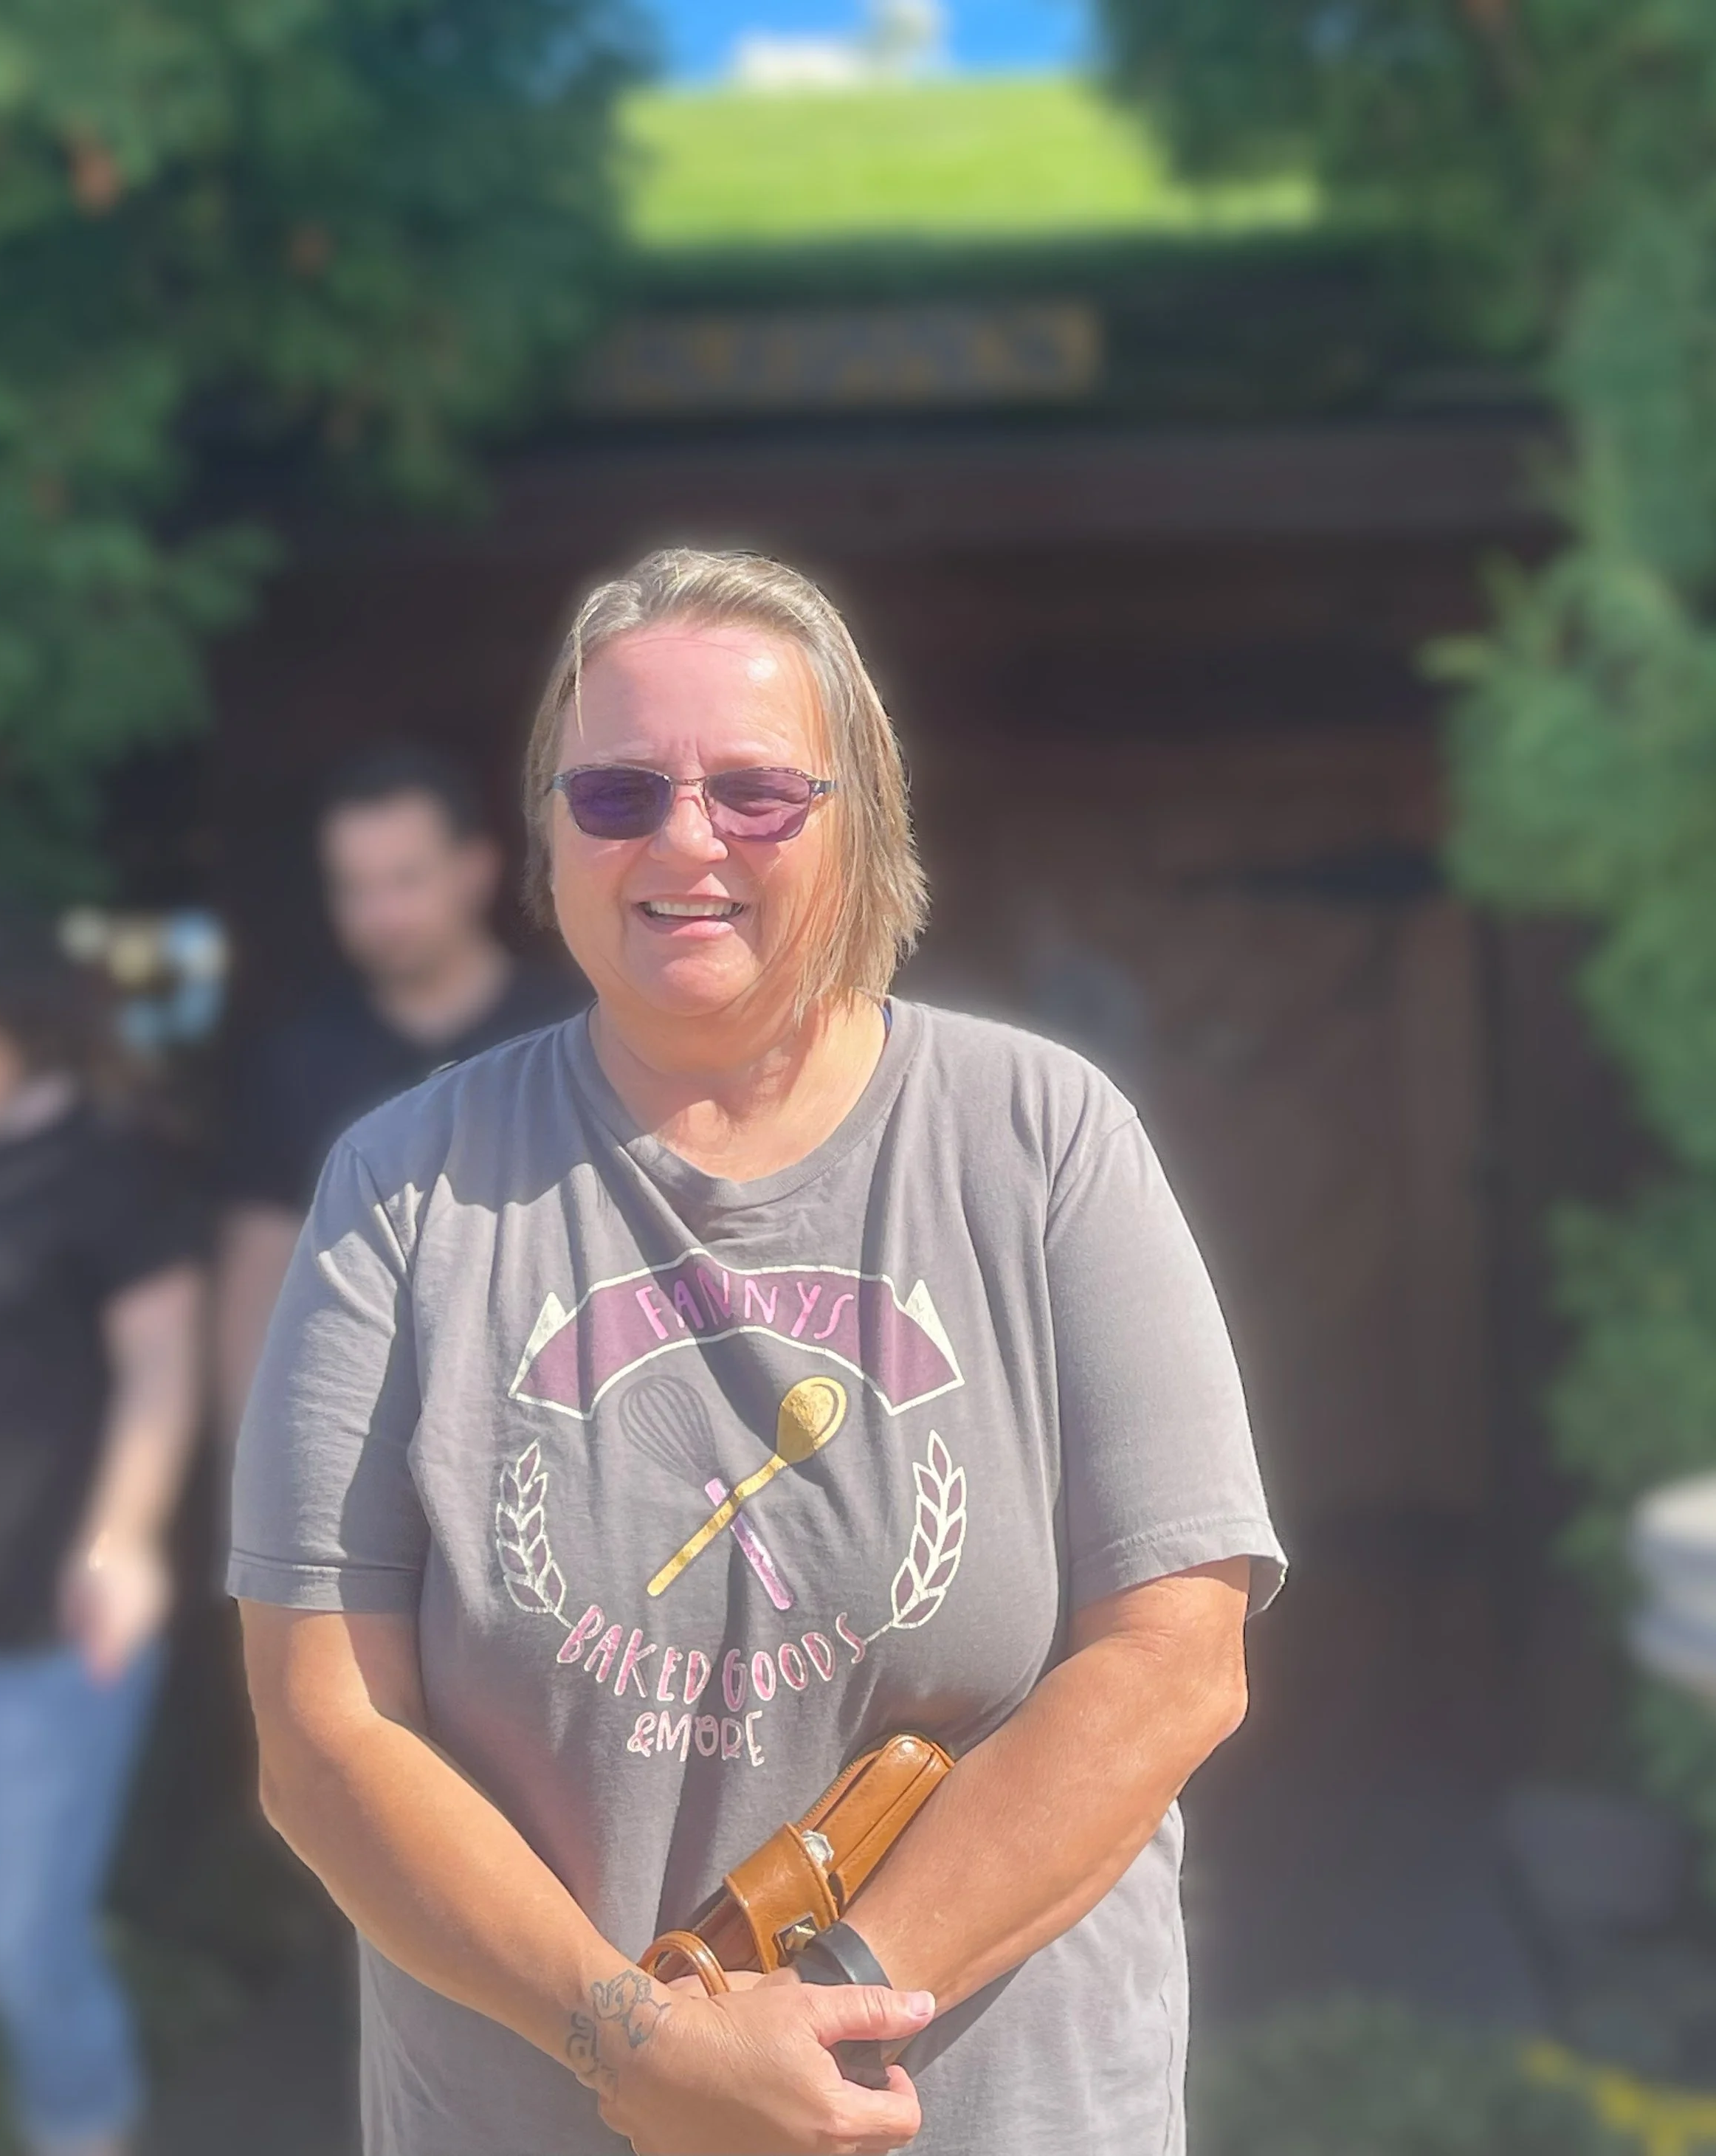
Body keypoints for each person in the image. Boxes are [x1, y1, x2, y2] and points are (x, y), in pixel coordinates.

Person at [230, 551, 1286, 2156]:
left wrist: (820, 2007)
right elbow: (326, 1730)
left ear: (858, 822)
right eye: (617, 792)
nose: (683, 838)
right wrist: (632, 2041)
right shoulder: (403, 1185)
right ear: (549, 839)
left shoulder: (1042, 1142)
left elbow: (1173, 1663)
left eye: (755, 790)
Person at [0, 865, 207, 2156]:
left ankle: (81, 2126)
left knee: (24, 1951)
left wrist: (125, 1538)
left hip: (41, 1636)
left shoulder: (101, 1160)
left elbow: (162, 1361)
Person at [216, 745, 584, 1436]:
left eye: (405, 880)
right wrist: (249, 1460)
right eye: (354, 888)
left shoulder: (573, 1037)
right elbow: (259, 1276)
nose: (381, 914)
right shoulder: (297, 1062)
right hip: (353, 1435)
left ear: (475, 871)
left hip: (546, 1426)